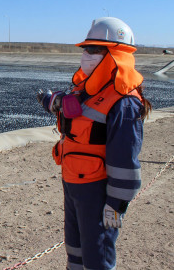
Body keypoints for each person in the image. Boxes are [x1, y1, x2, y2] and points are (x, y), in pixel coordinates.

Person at [36, 17, 152, 270]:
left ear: (114, 54)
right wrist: (50, 100)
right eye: (86, 49)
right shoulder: (88, 90)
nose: (86, 55)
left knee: (97, 257)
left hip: (98, 191)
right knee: (75, 251)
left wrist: (116, 204)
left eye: (93, 49)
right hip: (73, 183)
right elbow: (68, 104)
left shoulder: (123, 102)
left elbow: (125, 159)